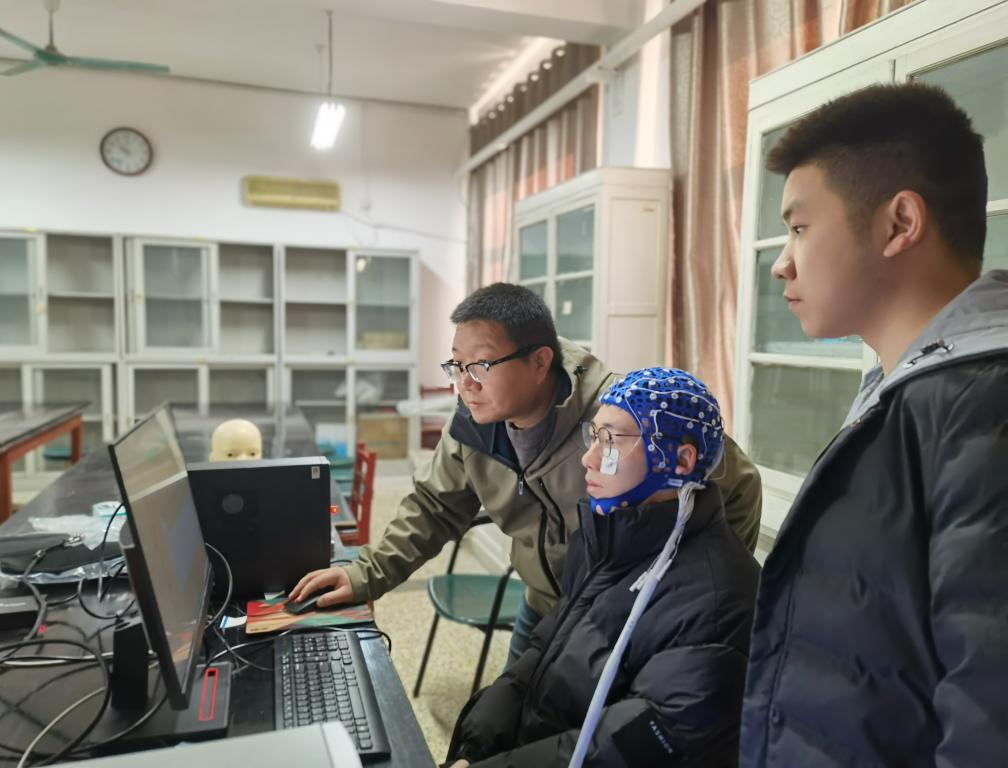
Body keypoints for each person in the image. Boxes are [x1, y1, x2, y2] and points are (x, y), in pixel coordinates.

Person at [741, 82, 1008, 766]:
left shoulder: (983, 407)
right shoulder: (903, 391)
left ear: (899, 223)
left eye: (800, 227)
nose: (781, 263)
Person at [290, 283, 762, 665]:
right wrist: (364, 574)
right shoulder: (473, 425)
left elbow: (740, 483)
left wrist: (693, 590)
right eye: (457, 365)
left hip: (622, 618)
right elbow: (434, 508)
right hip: (540, 606)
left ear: (539, 362)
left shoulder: (620, 416)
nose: (465, 383)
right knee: (509, 722)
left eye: (481, 364)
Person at [445, 367, 759, 767]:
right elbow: (542, 654)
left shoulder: (720, 601)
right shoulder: (605, 544)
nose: (588, 458)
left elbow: (625, 748)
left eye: (611, 441)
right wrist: (475, 747)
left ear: (682, 460)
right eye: (593, 436)